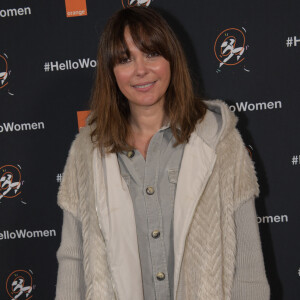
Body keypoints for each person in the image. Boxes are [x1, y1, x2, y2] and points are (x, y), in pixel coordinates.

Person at [55, 6, 270, 300]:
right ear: (111, 72)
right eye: (125, 59)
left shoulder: (219, 142)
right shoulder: (87, 151)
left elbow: (249, 268)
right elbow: (74, 260)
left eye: (152, 54)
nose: (141, 69)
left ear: (171, 59)